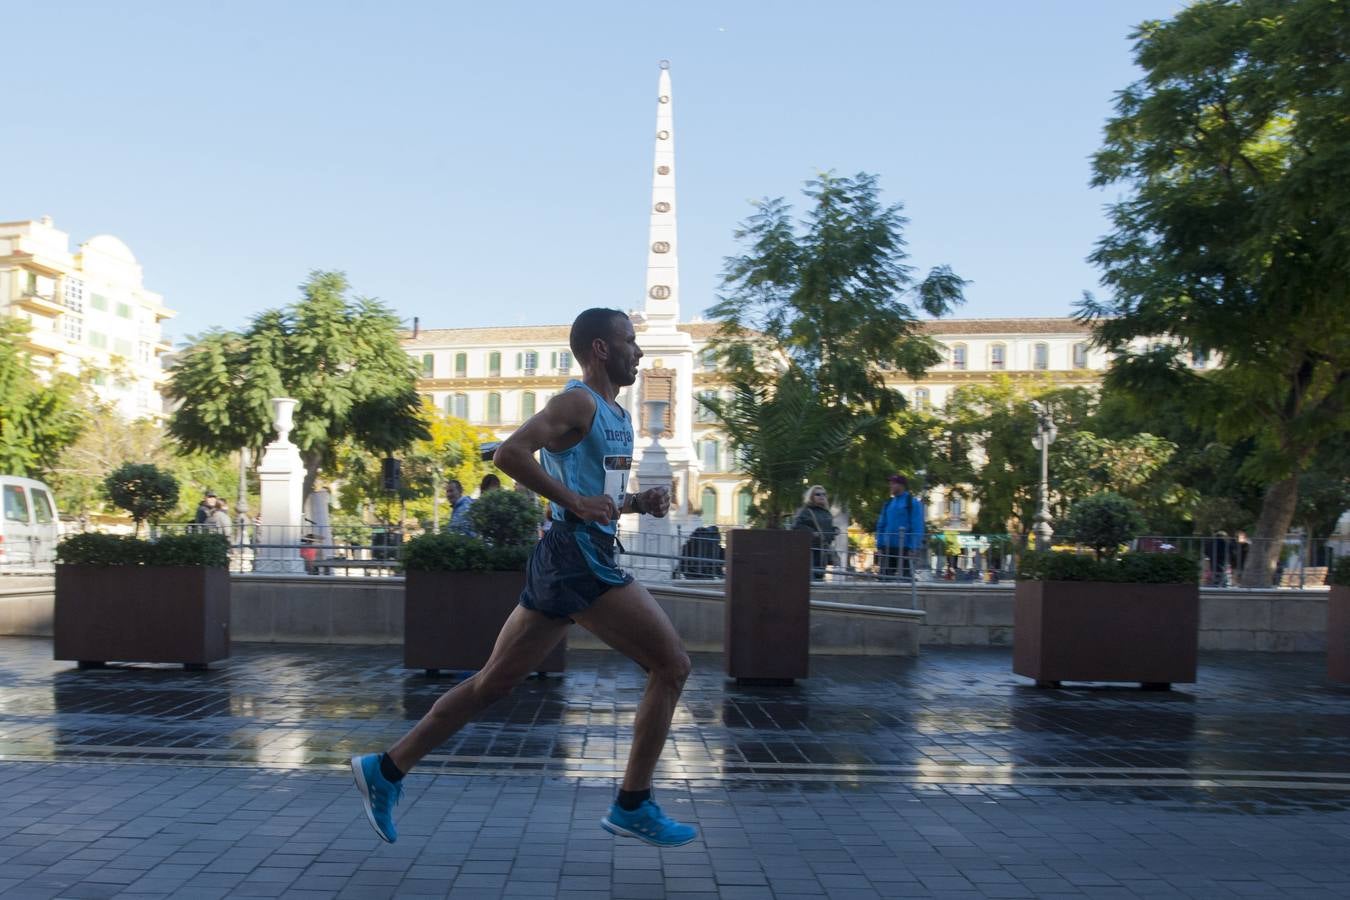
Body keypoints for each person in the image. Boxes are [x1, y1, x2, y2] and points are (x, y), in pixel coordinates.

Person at [350, 308, 696, 848]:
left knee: (493, 683)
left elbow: (595, 500)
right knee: (672, 665)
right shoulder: (576, 401)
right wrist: (576, 502)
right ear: (602, 348)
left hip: (568, 555)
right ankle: (633, 804)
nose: (640, 352)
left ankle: (386, 770)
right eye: (630, 341)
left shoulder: (615, 415)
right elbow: (510, 454)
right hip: (578, 559)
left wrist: (635, 502)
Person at [875, 474, 924, 580]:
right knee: (884, 580)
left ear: (901, 485)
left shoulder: (912, 503)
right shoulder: (888, 503)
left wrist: (913, 547)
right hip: (887, 547)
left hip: (905, 548)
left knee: (905, 580)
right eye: (890, 483)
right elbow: (881, 525)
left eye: (893, 483)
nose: (890, 486)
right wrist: (879, 545)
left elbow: (917, 526)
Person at [793, 485, 838, 581]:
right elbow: (796, 526)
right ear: (811, 496)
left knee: (819, 577)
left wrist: (834, 530)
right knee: (810, 580)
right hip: (811, 551)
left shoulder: (826, 512)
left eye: (824, 494)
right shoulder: (806, 511)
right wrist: (812, 532)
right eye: (818, 494)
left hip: (823, 551)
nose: (822, 496)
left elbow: (826, 529)